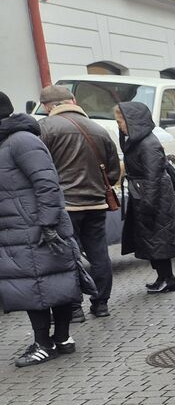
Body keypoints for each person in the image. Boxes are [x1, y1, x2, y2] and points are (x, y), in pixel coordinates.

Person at [0, 91, 83, 366]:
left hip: (34, 228)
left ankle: (46, 343)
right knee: (41, 285)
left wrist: (47, 224)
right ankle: (59, 339)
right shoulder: (7, 142)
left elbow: (47, 184)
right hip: (18, 229)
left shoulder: (21, 141)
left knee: (42, 285)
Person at [37, 84, 121, 319]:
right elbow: (113, 173)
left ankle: (74, 308)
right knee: (99, 254)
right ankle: (101, 303)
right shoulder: (99, 128)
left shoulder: (45, 128)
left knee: (66, 257)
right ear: (72, 100)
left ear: (46, 106)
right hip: (96, 203)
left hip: (64, 205)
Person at [116, 101, 175, 296]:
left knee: (158, 239)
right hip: (145, 195)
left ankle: (168, 279)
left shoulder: (147, 144)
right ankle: (163, 278)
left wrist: (148, 205)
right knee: (153, 240)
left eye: (120, 121)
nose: (119, 125)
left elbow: (152, 178)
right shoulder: (139, 142)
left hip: (153, 198)